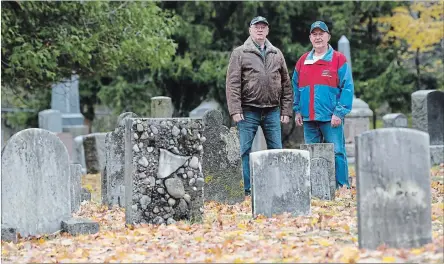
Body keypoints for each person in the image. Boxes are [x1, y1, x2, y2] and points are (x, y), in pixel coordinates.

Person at [226, 16, 293, 196]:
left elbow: (286, 83)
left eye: (263, 27)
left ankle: (278, 189)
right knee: (243, 150)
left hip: (272, 110)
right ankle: (245, 189)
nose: (260, 30)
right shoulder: (239, 53)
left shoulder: (276, 53)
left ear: (268, 31)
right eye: (257, 27)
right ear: (250, 30)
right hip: (248, 110)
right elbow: (232, 84)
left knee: (277, 150)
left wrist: (286, 110)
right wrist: (235, 110)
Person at [292, 21, 354, 189]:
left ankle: (342, 187)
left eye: (321, 34)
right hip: (309, 118)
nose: (318, 37)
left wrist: (339, 113)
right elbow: (296, 88)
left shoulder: (338, 59)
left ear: (328, 37)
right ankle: (316, 189)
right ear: (310, 37)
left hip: (331, 117)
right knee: (311, 153)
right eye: (315, 34)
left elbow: (347, 88)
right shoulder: (303, 61)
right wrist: (297, 111)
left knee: (337, 152)